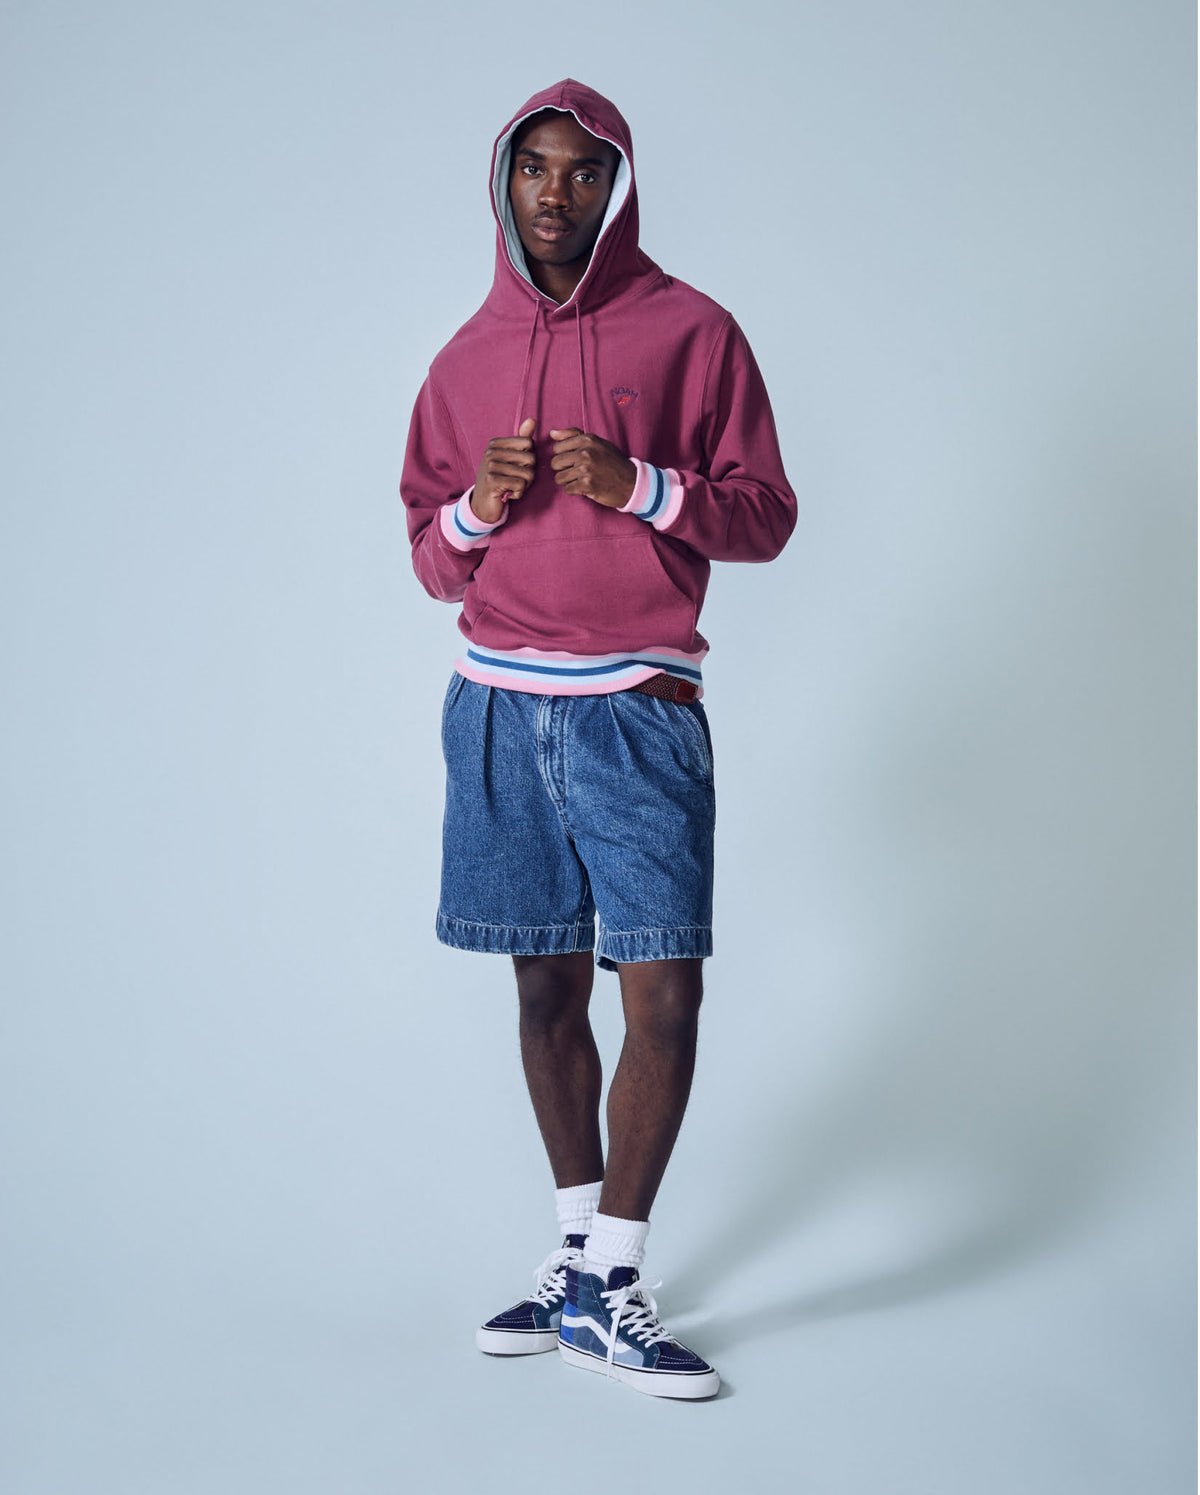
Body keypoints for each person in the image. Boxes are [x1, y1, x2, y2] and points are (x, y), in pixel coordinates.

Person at [400, 79, 796, 1400]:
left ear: (616, 185)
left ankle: (617, 1277)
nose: (555, 193)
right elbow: (429, 559)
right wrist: (475, 508)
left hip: (637, 708)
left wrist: (645, 487)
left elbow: (765, 514)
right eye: (535, 169)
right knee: (543, 990)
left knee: (665, 992)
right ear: (503, 182)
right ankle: (576, 1261)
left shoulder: (694, 331)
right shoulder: (463, 357)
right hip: (499, 710)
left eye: (582, 171)